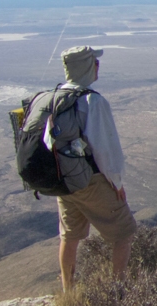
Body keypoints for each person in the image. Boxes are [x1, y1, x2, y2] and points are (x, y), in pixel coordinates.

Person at [54, 45, 136, 291]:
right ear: (88, 66)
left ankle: (68, 292)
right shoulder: (92, 101)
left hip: (62, 179)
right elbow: (105, 148)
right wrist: (117, 183)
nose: (98, 66)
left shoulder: (54, 97)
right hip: (90, 180)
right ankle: (117, 291)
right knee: (124, 232)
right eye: (94, 62)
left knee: (70, 236)